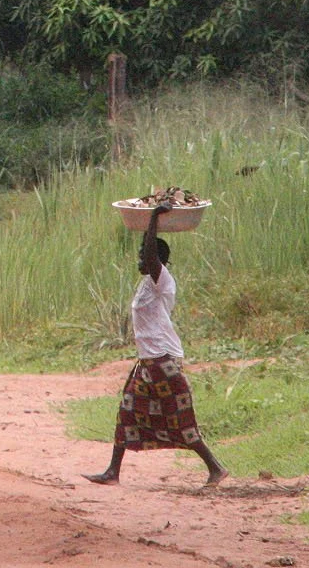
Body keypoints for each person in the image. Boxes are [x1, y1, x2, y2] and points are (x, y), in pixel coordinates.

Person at [84, 206, 226, 488]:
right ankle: (113, 472)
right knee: (127, 413)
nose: (140, 259)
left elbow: (150, 253)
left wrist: (152, 219)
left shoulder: (162, 281)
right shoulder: (147, 283)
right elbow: (149, 255)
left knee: (179, 419)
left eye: (144, 255)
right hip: (148, 362)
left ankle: (216, 468)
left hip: (163, 361)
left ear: (158, 260)